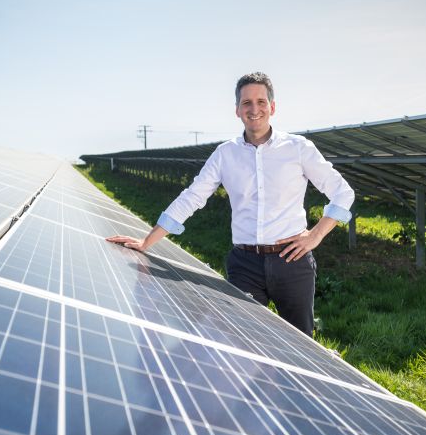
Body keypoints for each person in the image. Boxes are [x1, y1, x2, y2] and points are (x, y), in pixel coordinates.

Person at [106, 72, 354, 336]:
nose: (254, 109)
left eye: (261, 101)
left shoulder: (298, 148)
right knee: (238, 339)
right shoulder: (225, 154)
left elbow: (343, 193)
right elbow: (192, 197)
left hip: (292, 261)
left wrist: (316, 235)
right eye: (246, 103)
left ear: (272, 107)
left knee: (300, 342)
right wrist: (147, 241)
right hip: (244, 264)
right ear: (237, 110)